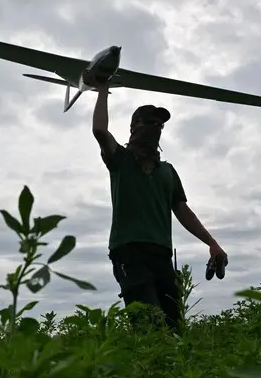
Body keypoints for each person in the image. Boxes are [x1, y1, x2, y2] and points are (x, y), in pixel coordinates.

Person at [91, 81, 228, 334]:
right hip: (129, 252)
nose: (155, 127)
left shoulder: (168, 171)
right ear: (133, 127)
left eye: (159, 124)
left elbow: (182, 210)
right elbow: (100, 130)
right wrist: (102, 88)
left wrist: (212, 243)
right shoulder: (120, 160)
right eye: (149, 122)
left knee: (174, 328)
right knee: (149, 326)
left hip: (161, 255)